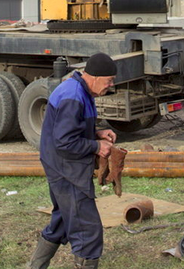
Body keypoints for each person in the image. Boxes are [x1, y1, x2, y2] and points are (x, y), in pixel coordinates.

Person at [28, 53, 118, 269]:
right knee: (87, 229)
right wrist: (97, 147)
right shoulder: (73, 96)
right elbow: (65, 142)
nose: (111, 85)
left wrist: (96, 133)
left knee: (62, 221)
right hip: (66, 169)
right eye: (109, 80)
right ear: (94, 77)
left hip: (59, 164)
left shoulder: (79, 90)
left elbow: (70, 129)